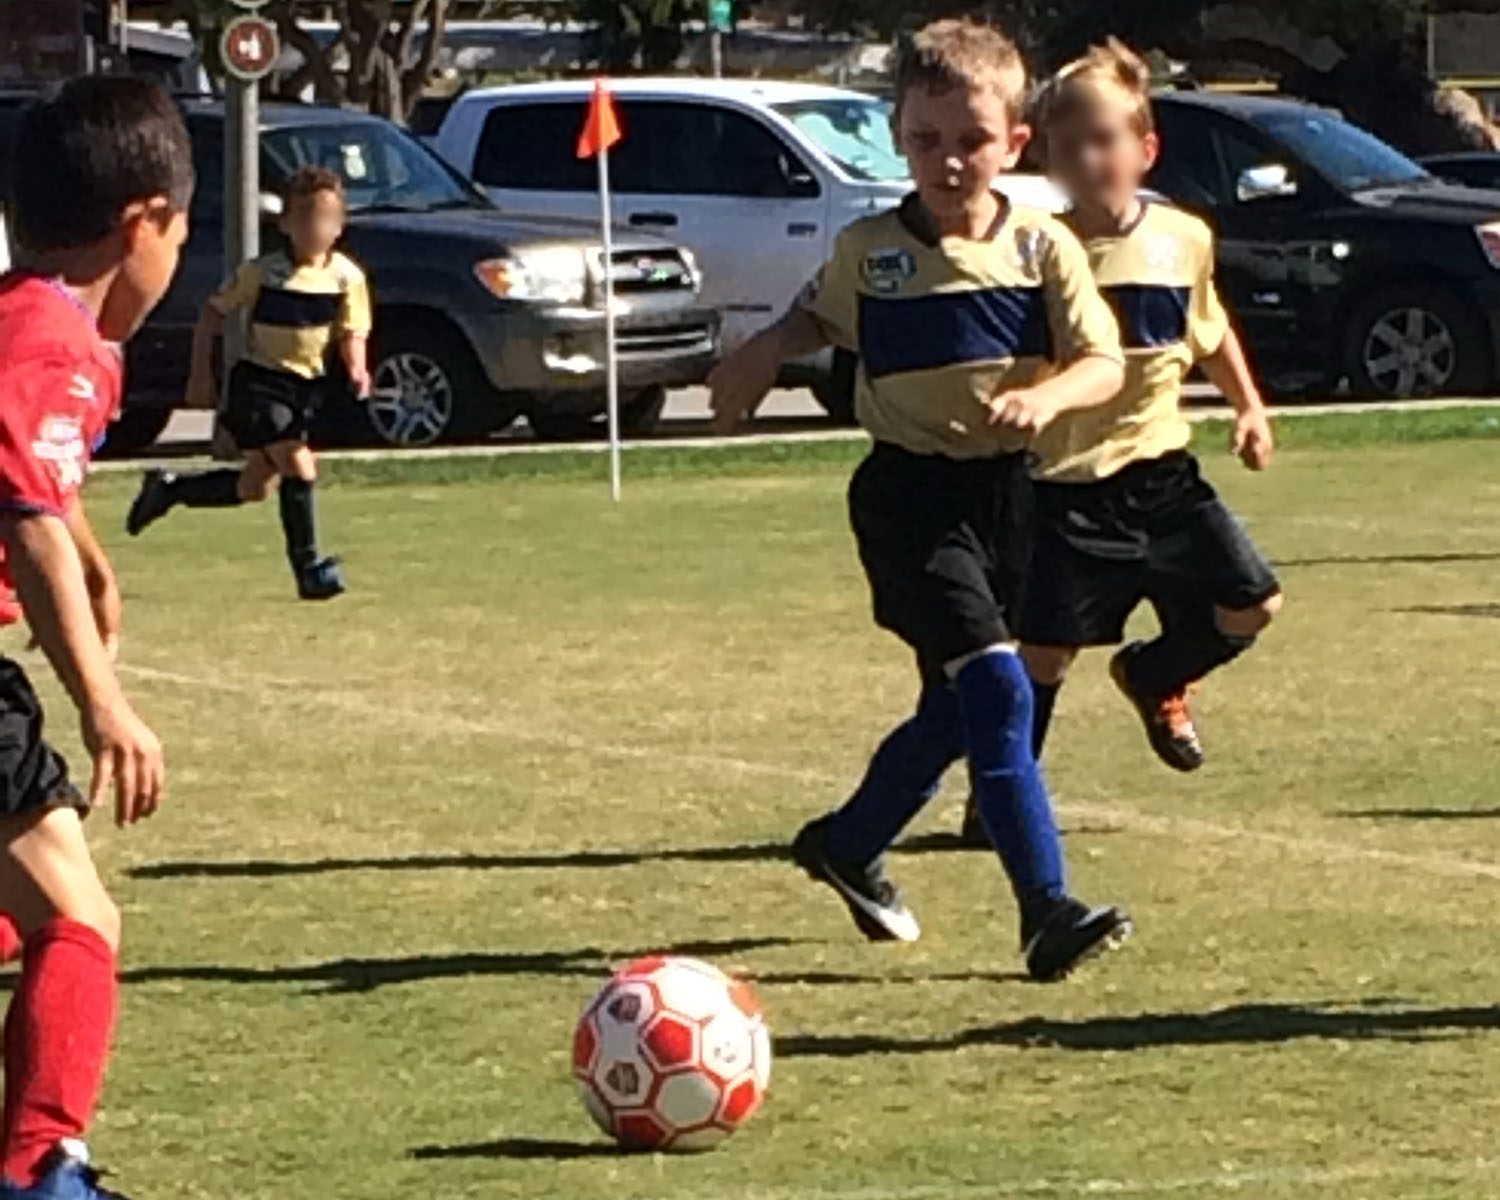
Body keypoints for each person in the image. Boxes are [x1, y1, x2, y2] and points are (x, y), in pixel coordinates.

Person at [710, 19, 1134, 982]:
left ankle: (849, 842)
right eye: (925, 141)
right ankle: (1045, 910)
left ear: (1016, 142)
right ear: (899, 136)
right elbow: (817, 314)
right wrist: (762, 352)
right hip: (908, 497)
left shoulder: (1041, 248)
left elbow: (1102, 361)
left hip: (1007, 496)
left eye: (972, 141)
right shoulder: (871, 250)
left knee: (960, 705)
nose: (948, 162)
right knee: (996, 686)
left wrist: (1046, 394)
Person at [962, 43, 1280, 844]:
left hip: (1162, 473)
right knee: (1044, 656)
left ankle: (1155, 673)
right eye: (1070, 144)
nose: (1089, 157)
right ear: (1046, 154)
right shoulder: (1035, 249)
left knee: (1252, 604)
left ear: (1146, 148)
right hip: (1063, 485)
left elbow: (1208, 330)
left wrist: (1249, 408)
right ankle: (998, 798)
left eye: (1105, 138)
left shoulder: (1184, 237)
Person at [0, 76, 183, 1200]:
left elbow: (34, 486)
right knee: (77, 914)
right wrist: (103, 698)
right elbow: (25, 518)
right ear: (142, 223)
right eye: (183, 234)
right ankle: (38, 1170)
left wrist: (95, 555)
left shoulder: (23, 316)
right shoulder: (59, 338)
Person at [125, 165, 372, 601]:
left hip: (303, 392)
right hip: (259, 386)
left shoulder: (347, 278)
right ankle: (310, 571)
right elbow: (213, 314)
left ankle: (171, 489)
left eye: (326, 219)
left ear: (339, 226)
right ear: (287, 223)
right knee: (300, 466)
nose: (316, 228)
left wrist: (357, 368)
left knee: (253, 487)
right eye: (306, 218)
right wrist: (201, 374)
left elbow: (353, 332)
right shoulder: (264, 272)